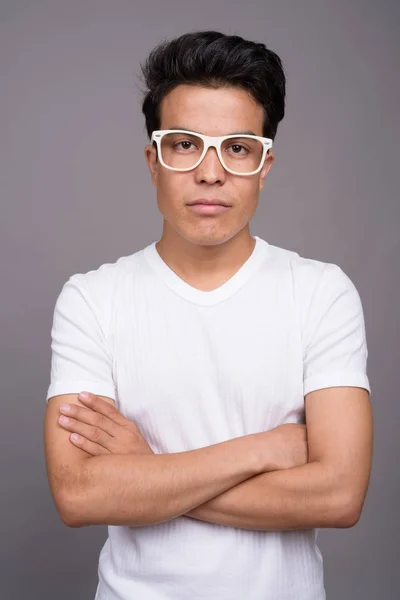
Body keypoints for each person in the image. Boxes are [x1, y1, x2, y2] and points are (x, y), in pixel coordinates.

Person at [44, 30, 373, 600]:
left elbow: (339, 497)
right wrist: (261, 450)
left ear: (265, 164)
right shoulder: (92, 298)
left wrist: (147, 473)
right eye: (185, 144)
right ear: (154, 159)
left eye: (238, 148)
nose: (211, 172)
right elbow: (80, 496)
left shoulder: (321, 293)